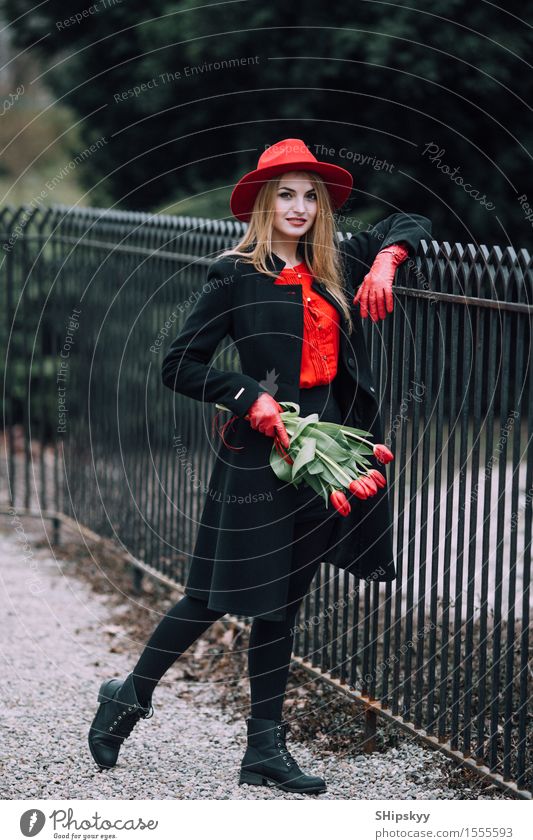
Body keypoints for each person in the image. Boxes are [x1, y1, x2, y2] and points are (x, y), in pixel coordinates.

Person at [88, 138, 431, 795]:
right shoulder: (235, 274)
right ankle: (129, 693)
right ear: (264, 204)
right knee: (212, 595)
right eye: (286, 194)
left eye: (310, 195)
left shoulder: (339, 262)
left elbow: (410, 220)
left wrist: (387, 260)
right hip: (256, 459)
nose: (299, 207)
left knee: (281, 606)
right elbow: (178, 364)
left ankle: (262, 752)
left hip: (321, 459)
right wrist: (248, 395)